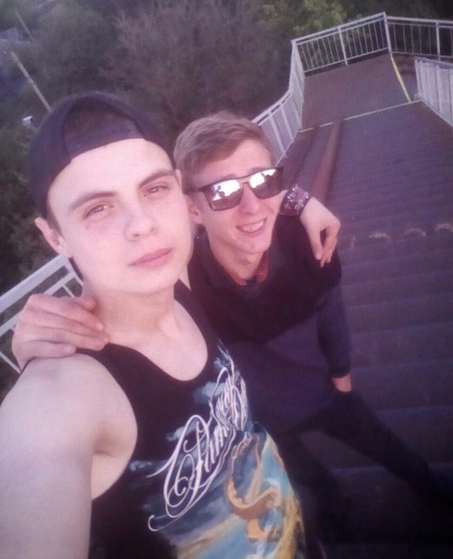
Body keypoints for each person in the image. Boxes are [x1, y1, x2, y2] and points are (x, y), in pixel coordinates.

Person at [14, 110, 453, 542]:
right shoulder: (180, 281)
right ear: (193, 208)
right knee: (310, 477)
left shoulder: (306, 244)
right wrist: (42, 342)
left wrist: (342, 377)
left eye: (263, 182)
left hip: (322, 394)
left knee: (382, 443)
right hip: (265, 420)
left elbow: (333, 317)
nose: (142, 224)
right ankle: (337, 518)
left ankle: (428, 486)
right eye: (97, 208)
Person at [0, 93, 307, 559]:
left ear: (180, 195)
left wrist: (301, 203)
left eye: (154, 189)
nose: (142, 224)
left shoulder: (176, 280)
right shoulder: (64, 397)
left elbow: (241, 199)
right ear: (55, 236)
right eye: (98, 208)